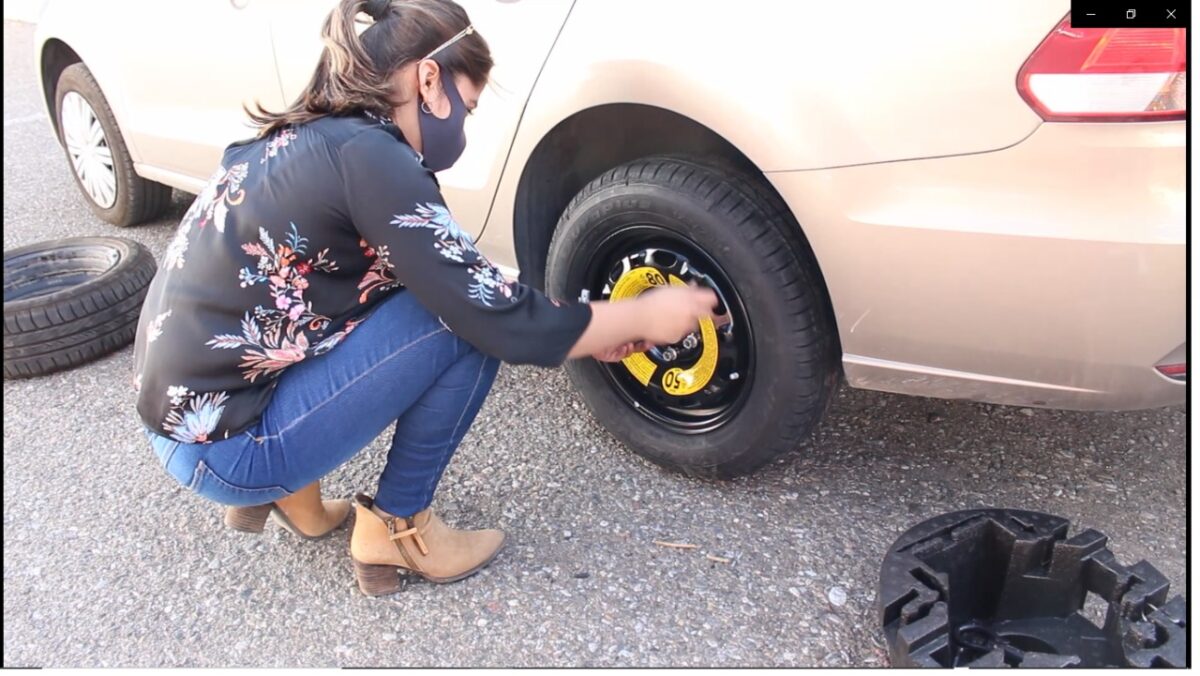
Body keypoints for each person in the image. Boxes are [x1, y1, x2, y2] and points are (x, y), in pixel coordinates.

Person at [133, 0, 717, 596]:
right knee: (456, 324)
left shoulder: (301, 139)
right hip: (230, 447)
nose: (464, 121)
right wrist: (637, 314)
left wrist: (583, 330)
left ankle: (296, 500)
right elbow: (486, 310)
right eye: (467, 104)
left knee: (412, 299)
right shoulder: (372, 157)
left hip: (185, 422)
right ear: (429, 79)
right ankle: (398, 527)